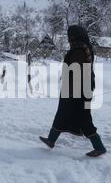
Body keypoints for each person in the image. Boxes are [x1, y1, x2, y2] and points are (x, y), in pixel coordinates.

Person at [40, 25, 107, 157]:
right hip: (75, 89)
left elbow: (75, 71)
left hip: (78, 90)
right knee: (62, 114)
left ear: (77, 36)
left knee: (84, 118)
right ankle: (51, 140)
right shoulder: (81, 48)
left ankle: (99, 146)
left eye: (71, 36)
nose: (69, 39)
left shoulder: (80, 50)